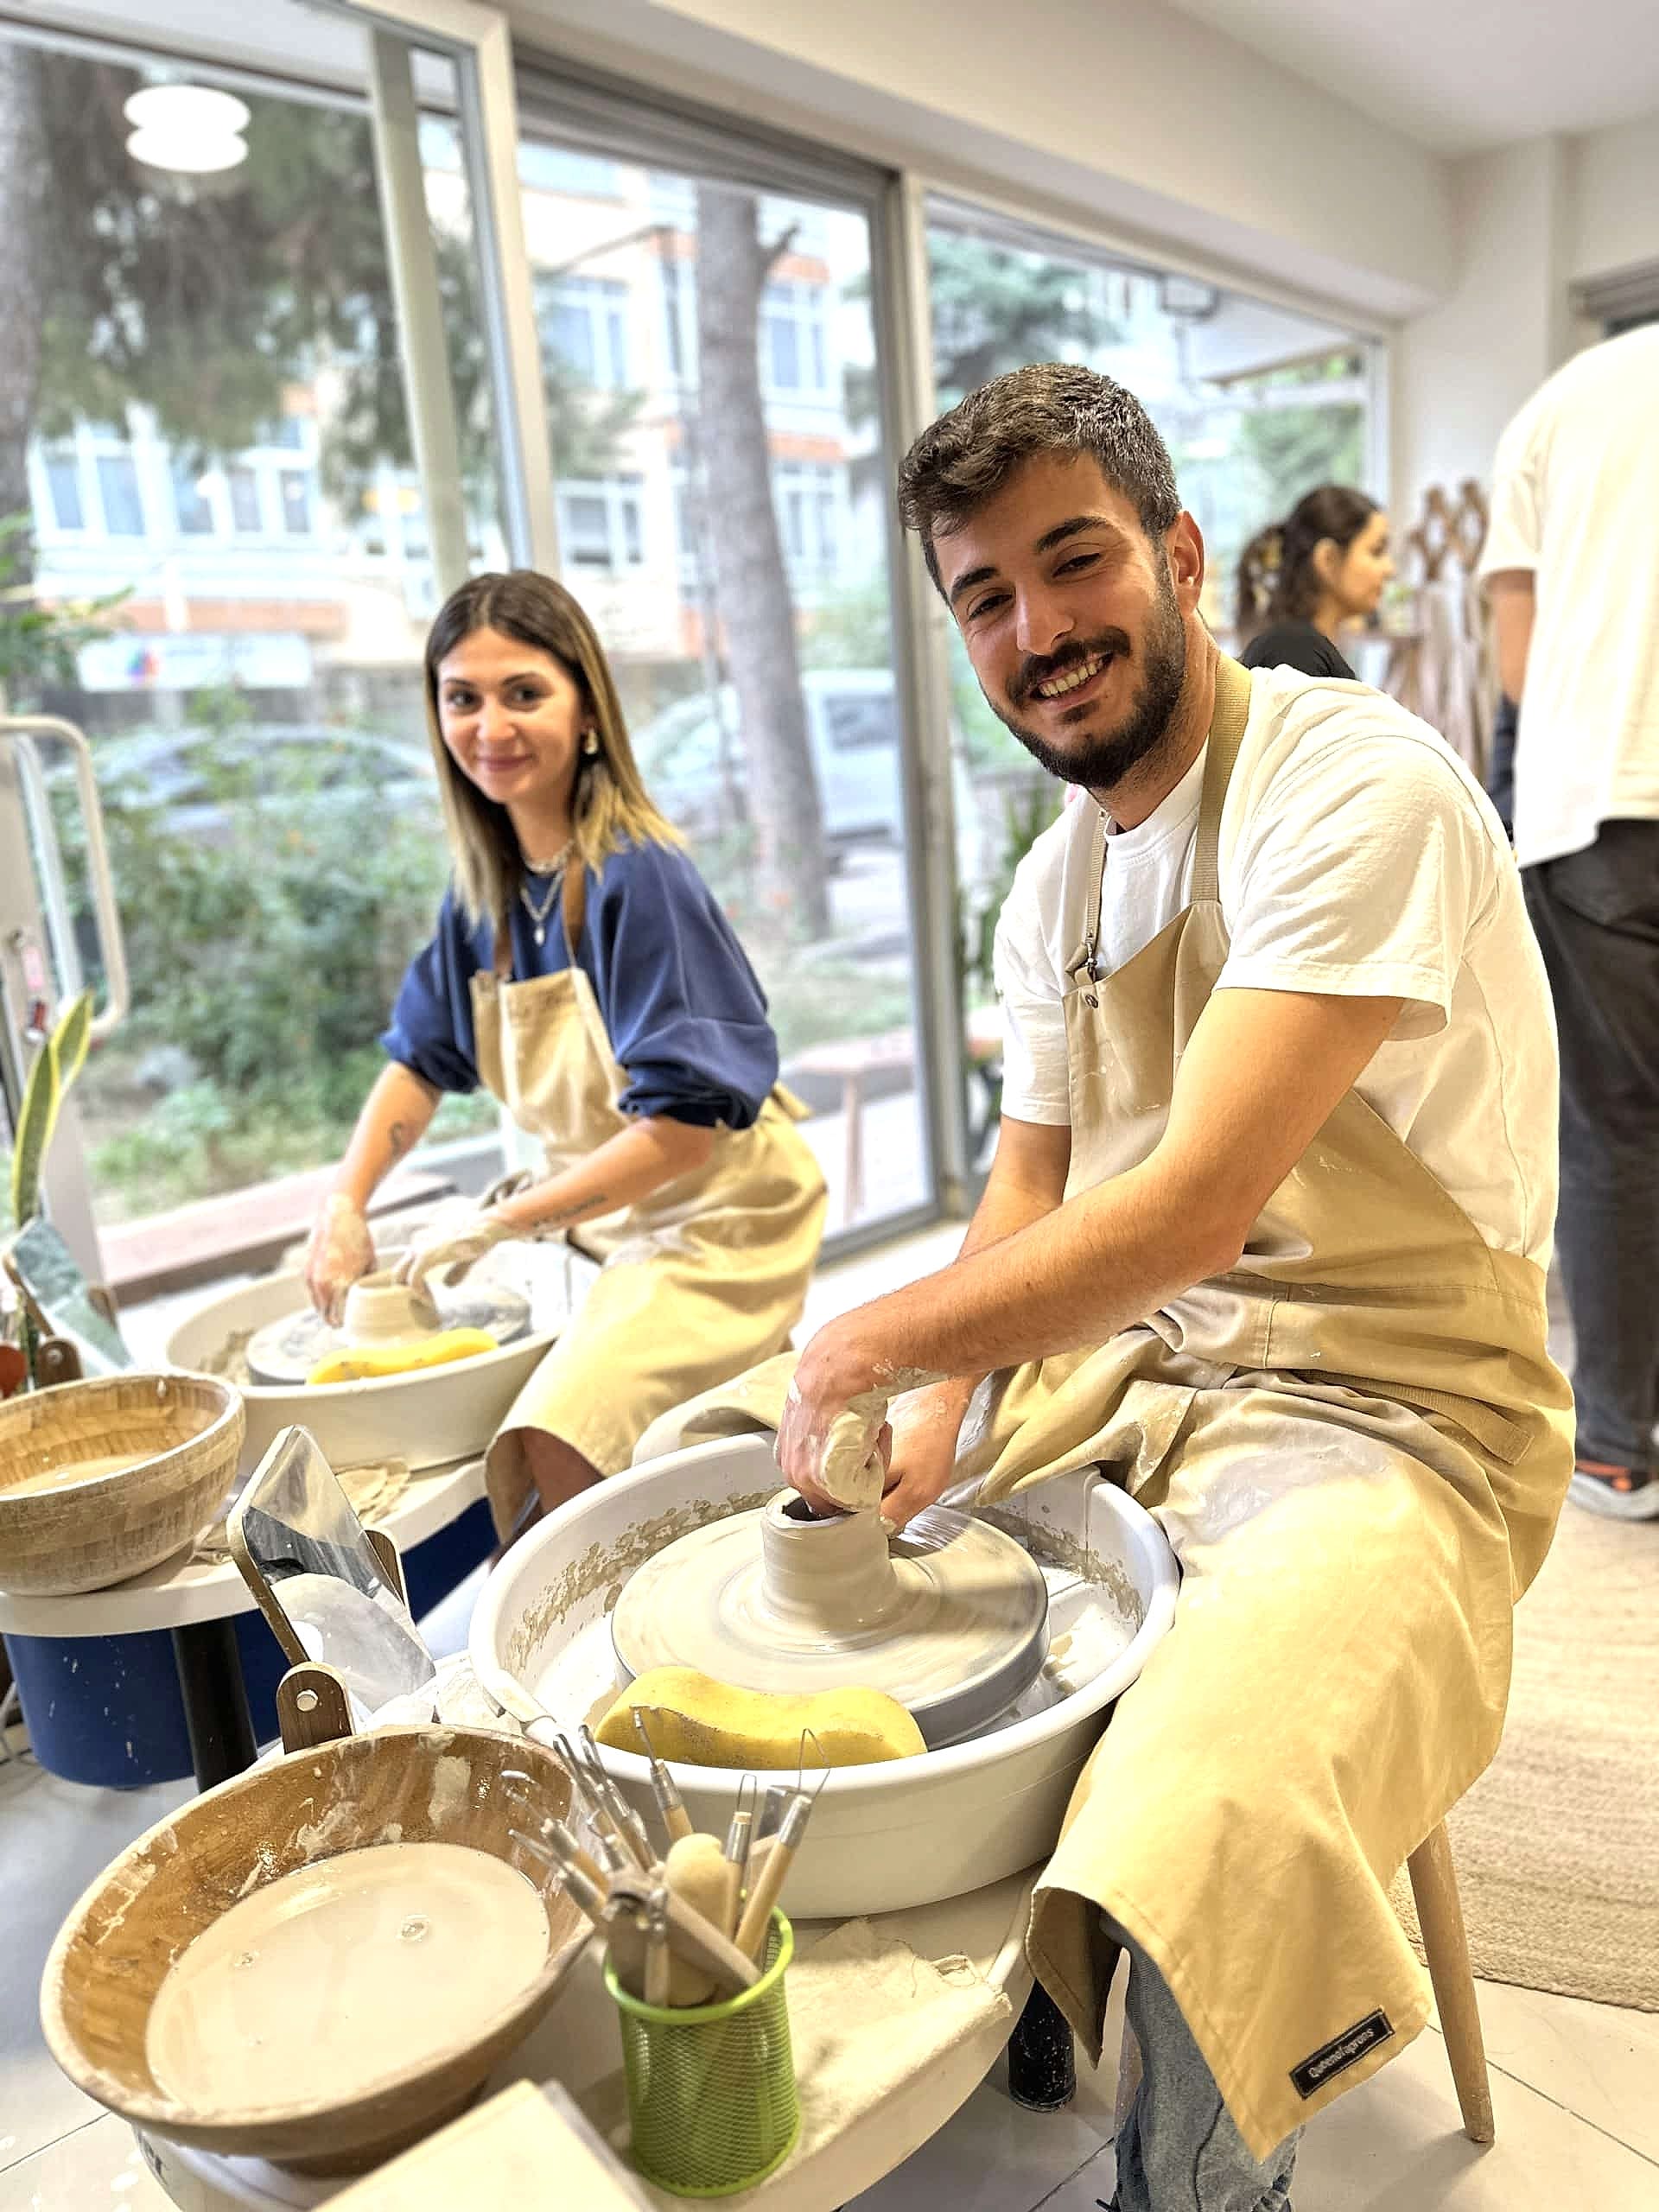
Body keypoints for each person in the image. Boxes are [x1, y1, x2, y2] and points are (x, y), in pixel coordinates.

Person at [649, 365, 1572, 2210]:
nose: (1038, 630)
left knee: (1197, 1803)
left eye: (1074, 564)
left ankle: (1198, 2176)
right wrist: (923, 1408)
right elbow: (1032, 1185)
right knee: (714, 1458)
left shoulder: (1351, 783)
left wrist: (873, 1332)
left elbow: (1190, 1205)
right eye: (984, 597)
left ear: (1181, 554)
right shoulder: (1053, 885)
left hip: (1406, 1416)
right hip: (1159, 1372)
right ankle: (1012, 2012)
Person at [303, 570, 826, 1541]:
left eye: (523, 693)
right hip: (599, 1216)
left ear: (586, 708)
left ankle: (605, 1649)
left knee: (556, 1429)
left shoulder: (636, 876)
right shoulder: (487, 898)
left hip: (719, 1215)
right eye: (463, 698)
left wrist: (498, 1223)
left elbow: (679, 1140)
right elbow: (420, 1061)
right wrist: (345, 1203)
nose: (490, 725)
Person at [1482, 321, 1659, 1522]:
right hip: (1595, 801)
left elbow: (1517, 659)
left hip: (1598, 807)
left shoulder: (1561, 402)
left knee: (1614, 1138)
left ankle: (1613, 1449)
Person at [1234, 484, 1394, 680]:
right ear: (1328, 559)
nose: (1389, 569)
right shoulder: (1294, 651)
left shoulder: (1308, 651)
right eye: (1376, 552)